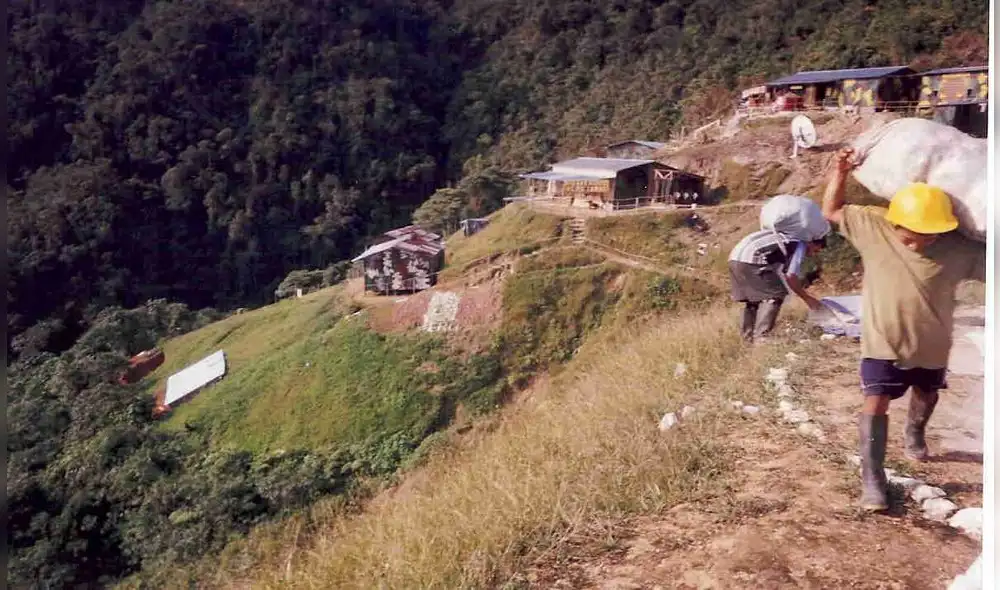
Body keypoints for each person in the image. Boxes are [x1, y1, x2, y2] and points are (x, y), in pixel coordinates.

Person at [821, 146, 986, 512]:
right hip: (883, 342)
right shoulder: (872, 226)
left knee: (927, 393)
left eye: (931, 235)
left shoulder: (961, 248)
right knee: (875, 399)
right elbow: (831, 211)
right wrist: (840, 172)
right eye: (911, 235)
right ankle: (873, 479)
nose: (921, 242)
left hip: (933, 343)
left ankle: (915, 430)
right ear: (894, 222)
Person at [728, 221, 827, 343]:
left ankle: (747, 338)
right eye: (815, 251)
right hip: (753, 258)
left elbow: (781, 274)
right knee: (775, 295)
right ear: (810, 242)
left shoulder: (786, 239)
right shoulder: (799, 245)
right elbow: (790, 276)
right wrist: (807, 298)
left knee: (753, 300)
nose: (811, 254)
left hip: (735, 258)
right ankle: (762, 337)